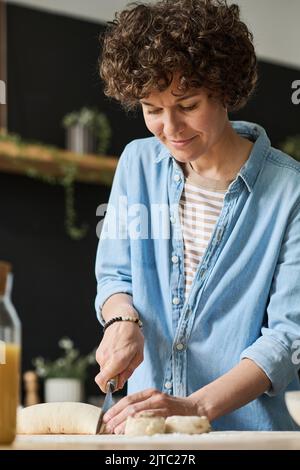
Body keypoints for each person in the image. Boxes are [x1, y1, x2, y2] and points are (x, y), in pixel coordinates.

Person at [94, 0, 300, 434]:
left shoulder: (290, 192)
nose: (170, 128)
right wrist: (122, 321)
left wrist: (194, 407)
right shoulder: (137, 164)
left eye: (186, 105)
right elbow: (115, 277)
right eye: (152, 109)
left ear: (224, 90)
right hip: (150, 442)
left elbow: (287, 338)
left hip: (249, 441)